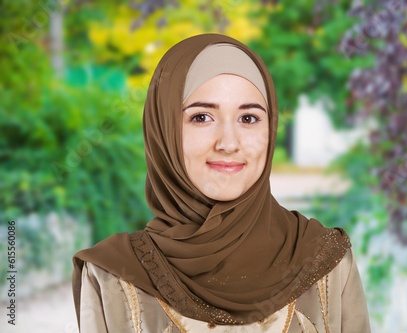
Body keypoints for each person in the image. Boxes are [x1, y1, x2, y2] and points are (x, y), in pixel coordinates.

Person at [72, 33, 370, 333]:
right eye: (201, 117)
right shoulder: (111, 277)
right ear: (162, 131)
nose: (228, 143)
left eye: (249, 118)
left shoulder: (328, 263)